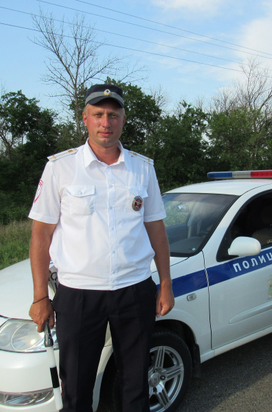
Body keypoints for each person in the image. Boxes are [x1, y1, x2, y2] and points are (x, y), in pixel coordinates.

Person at [28, 84, 175, 412]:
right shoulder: (60, 168)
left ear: (123, 120)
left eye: (113, 115)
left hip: (134, 290)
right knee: (77, 386)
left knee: (135, 383)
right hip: (79, 294)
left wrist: (165, 283)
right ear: (85, 119)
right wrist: (40, 297)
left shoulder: (142, 168)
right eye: (98, 114)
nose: (105, 121)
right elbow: (40, 237)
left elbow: (156, 230)